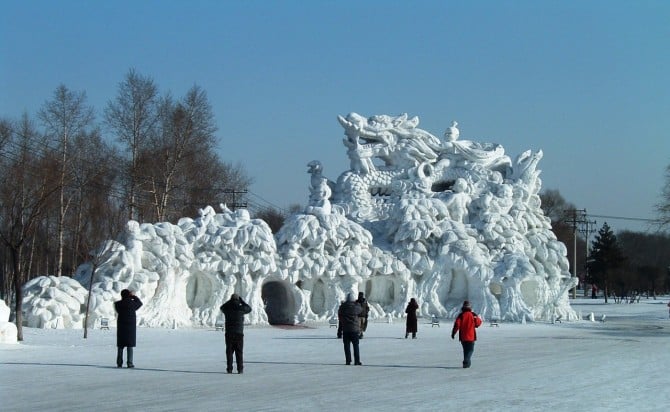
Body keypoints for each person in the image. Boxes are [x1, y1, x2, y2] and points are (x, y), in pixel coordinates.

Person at [220, 293, 252, 374]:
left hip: (229, 333)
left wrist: (229, 301)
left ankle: (229, 369)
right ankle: (240, 369)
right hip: (239, 333)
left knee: (229, 352)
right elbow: (249, 308)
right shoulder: (241, 309)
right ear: (238, 300)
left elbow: (222, 307)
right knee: (239, 352)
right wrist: (242, 301)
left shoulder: (227, 309)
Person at [114, 289, 143, 368]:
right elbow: (140, 303)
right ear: (129, 295)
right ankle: (129, 363)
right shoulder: (132, 304)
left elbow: (118, 310)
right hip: (130, 327)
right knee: (130, 346)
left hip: (121, 326)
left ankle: (119, 363)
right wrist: (133, 296)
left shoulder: (117, 304)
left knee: (120, 346)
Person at [451, 300, 482, 368]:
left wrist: (453, 333)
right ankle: (466, 361)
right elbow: (478, 323)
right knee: (470, 350)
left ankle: (466, 364)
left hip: (463, 337)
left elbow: (457, 324)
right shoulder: (473, 315)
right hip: (471, 336)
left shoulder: (461, 315)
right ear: (470, 307)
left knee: (465, 350)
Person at [338, 293, 363, 365]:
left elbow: (340, 311)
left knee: (346, 346)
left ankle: (348, 360)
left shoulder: (343, 307)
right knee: (355, 346)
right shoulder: (355, 307)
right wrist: (357, 303)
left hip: (345, 329)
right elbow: (360, 310)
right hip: (354, 330)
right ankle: (357, 361)